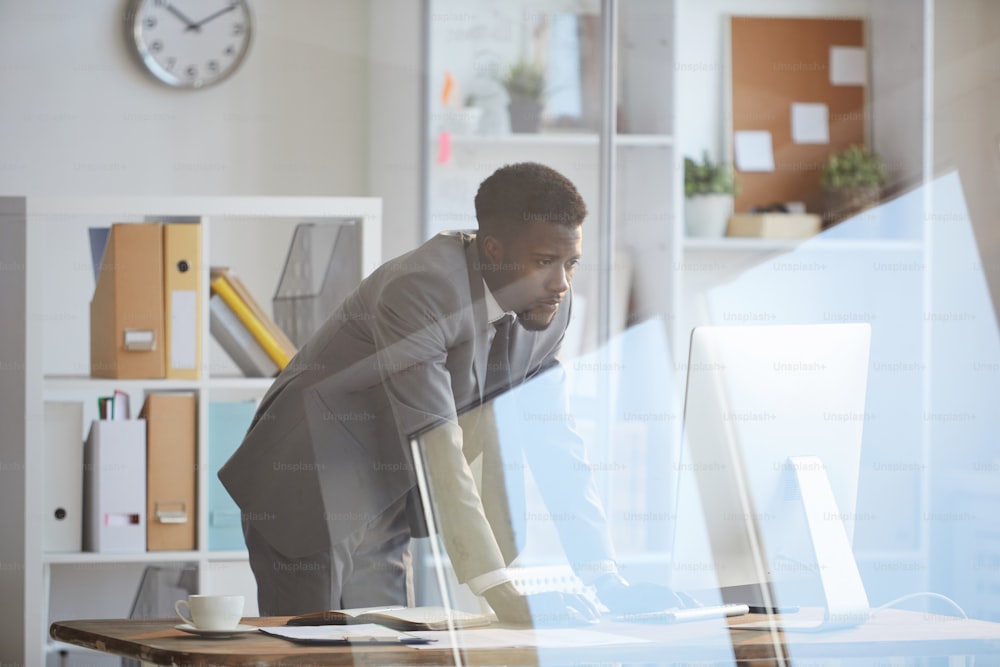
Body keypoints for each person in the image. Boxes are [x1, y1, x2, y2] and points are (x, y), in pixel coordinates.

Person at [218, 162, 682, 624]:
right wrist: (503, 593)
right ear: (494, 249)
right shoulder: (421, 288)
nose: (562, 282)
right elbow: (438, 444)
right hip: (308, 480)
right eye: (544, 262)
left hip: (389, 488)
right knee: (316, 651)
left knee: (395, 651)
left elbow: (558, 443)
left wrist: (606, 579)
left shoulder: (550, 307)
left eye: (571, 263)